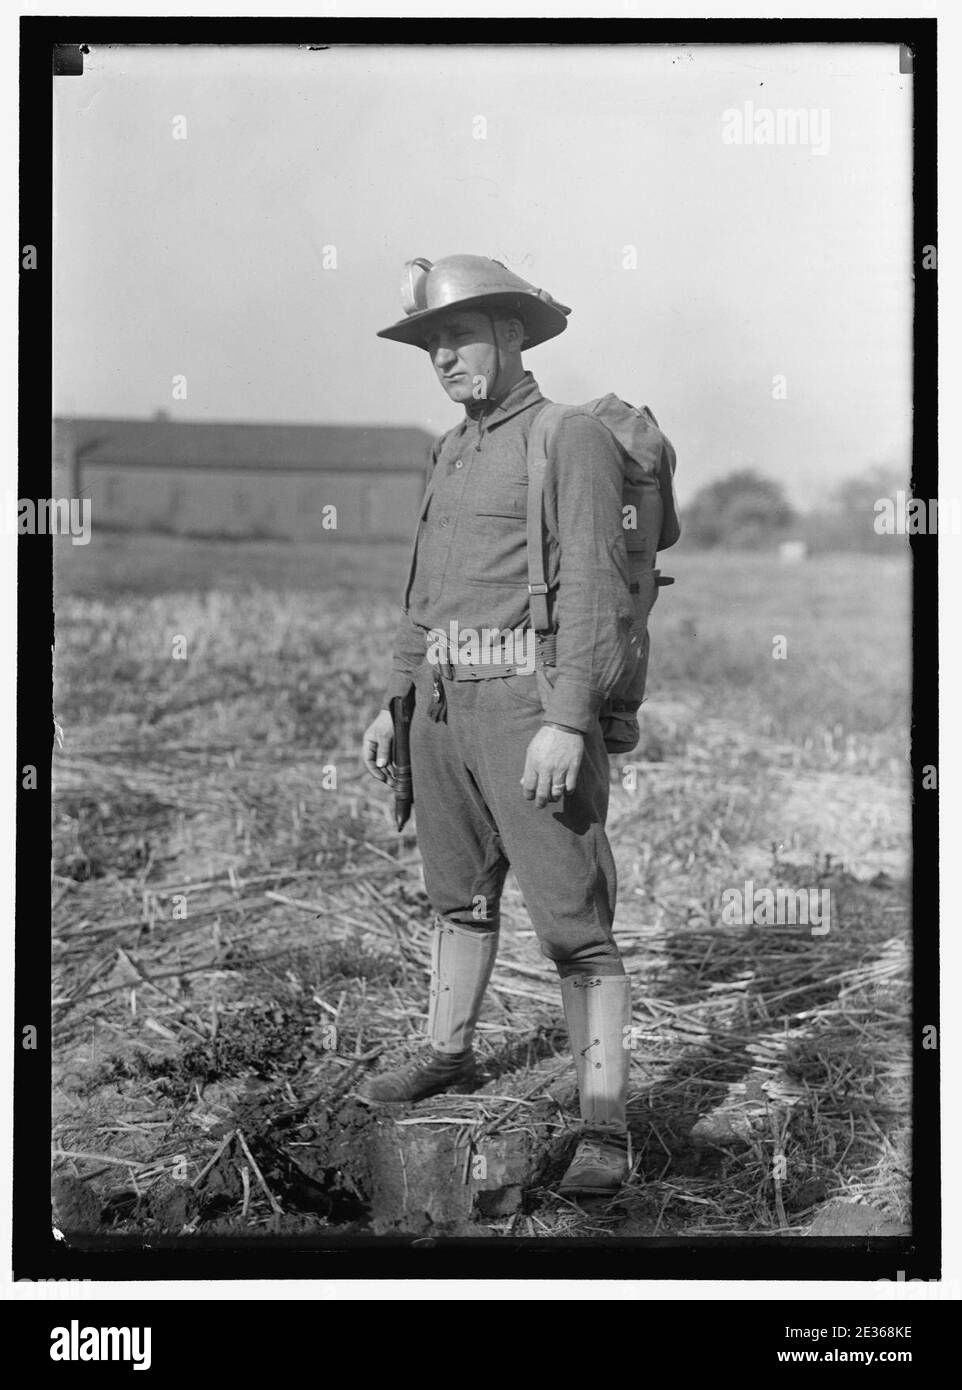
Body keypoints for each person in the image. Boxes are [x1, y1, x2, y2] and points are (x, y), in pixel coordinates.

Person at [360, 254, 636, 1195]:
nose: (444, 357)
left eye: (460, 335)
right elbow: (425, 590)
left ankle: (606, 1125)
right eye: (431, 343)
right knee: (454, 899)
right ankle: (447, 1052)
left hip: (529, 709)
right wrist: (397, 703)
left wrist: (568, 721)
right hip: (441, 709)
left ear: (514, 335)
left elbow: (596, 594)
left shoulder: (570, 439)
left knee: (573, 926)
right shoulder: (450, 447)